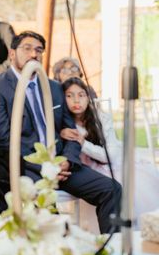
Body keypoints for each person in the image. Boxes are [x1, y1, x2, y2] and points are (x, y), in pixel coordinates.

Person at [0, 31, 121, 231]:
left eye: (38, 50)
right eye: (27, 48)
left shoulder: (54, 88)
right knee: (51, 218)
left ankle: (112, 249)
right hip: (26, 168)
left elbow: (70, 132)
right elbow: (4, 141)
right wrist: (45, 166)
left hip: (62, 165)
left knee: (112, 190)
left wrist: (66, 161)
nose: (33, 54)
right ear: (12, 54)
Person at [62, 77, 159, 218]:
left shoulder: (101, 117)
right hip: (85, 170)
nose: (76, 101)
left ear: (88, 98)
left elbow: (110, 155)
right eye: (69, 96)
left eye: (81, 95)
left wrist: (83, 143)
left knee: (134, 185)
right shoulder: (64, 123)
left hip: (110, 163)